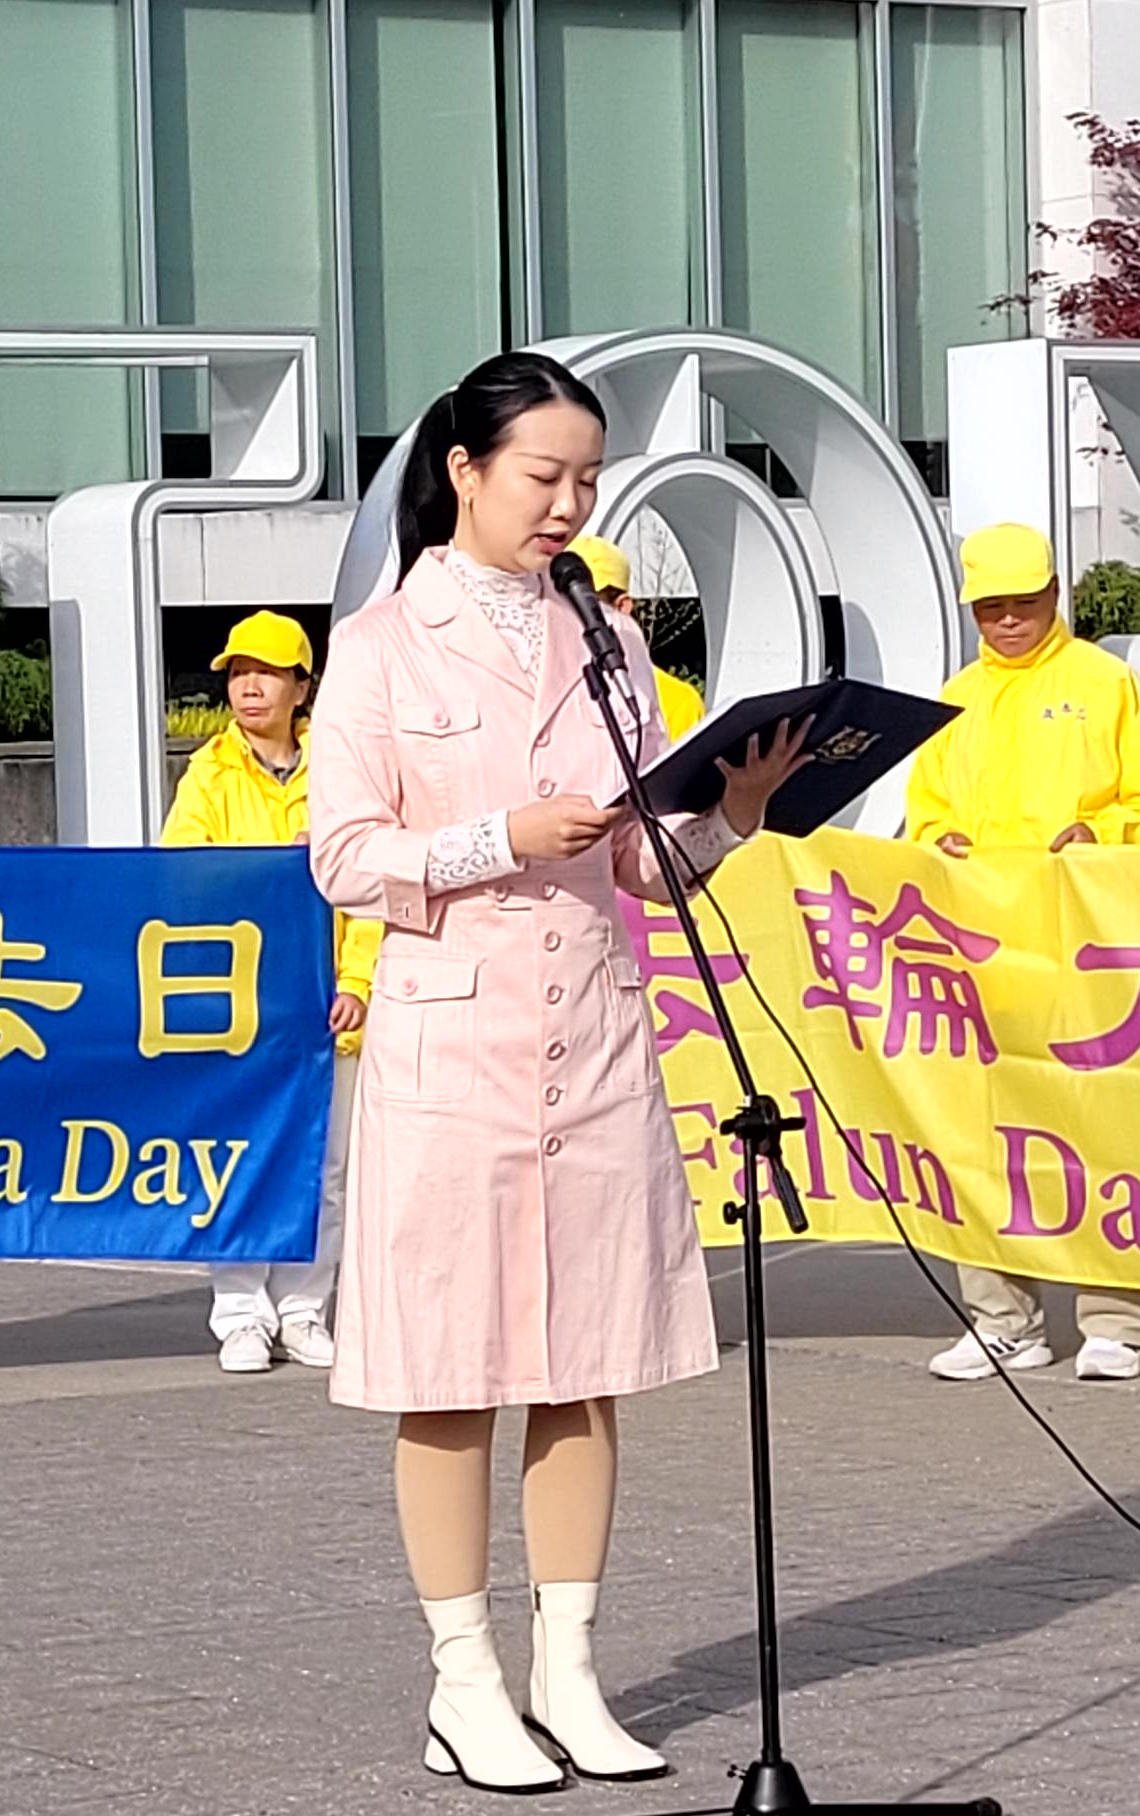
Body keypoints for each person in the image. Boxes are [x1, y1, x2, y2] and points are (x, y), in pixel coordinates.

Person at [306, 351, 806, 1794]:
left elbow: (644, 863)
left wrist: (735, 815)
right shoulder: (381, 646)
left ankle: (570, 1673)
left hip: (594, 1036)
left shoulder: (609, 639)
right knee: (450, 1372)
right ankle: (464, 1681)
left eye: (588, 479)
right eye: (545, 475)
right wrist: (497, 841)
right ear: (466, 471)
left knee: (587, 1370)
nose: (569, 504)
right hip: (449, 1042)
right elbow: (343, 856)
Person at [903, 521, 1140, 1385]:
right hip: (981, 956)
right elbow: (924, 813)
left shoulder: (1105, 684)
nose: (1007, 620)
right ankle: (1003, 1320)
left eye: (1022, 602)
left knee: (1098, 1133)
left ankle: (1115, 1322)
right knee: (980, 1140)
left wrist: (1103, 833)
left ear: (1054, 592)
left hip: (1086, 953)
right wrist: (938, 840)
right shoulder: (956, 699)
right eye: (989, 606)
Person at [160, 609, 381, 1373]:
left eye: (266, 673)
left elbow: (371, 886)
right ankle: (241, 1314)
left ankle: (304, 1308)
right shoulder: (210, 772)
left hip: (327, 1004)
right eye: (237, 673)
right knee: (239, 1160)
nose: (248, 687)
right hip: (244, 1004)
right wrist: (268, 866)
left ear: (302, 687)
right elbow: (181, 876)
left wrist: (358, 980)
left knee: (328, 1169)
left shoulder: (342, 770)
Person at [564, 536, 703, 737]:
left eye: (585, 604)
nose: (569, 613)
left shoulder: (677, 703)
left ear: (622, 606)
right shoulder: (545, 693)